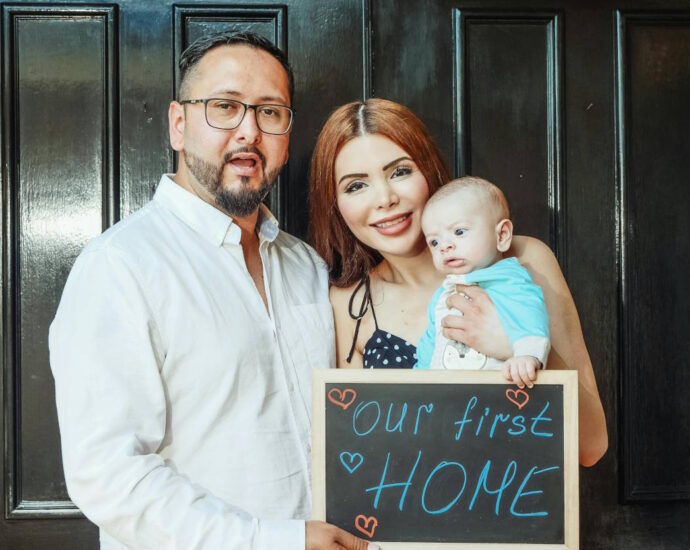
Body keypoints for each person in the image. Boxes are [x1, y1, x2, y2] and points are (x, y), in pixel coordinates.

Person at [49, 31, 375, 550]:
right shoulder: (118, 269)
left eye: (270, 112)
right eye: (224, 106)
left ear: (287, 136)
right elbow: (107, 474)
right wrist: (278, 541)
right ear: (179, 125)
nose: (249, 131)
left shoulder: (307, 266)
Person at [309, 98, 608, 467]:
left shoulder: (520, 261)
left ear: (429, 172)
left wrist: (516, 344)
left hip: (517, 508)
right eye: (356, 186)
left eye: (400, 172)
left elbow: (591, 445)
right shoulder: (350, 305)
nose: (385, 198)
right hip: (413, 513)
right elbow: (357, 459)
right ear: (335, 204)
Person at [415, 176, 550, 390]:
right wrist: (415, 380)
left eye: (459, 232)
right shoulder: (443, 293)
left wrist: (527, 355)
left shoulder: (509, 280)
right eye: (434, 241)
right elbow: (430, 341)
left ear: (502, 235)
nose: (445, 246)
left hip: (494, 403)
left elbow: (530, 316)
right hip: (444, 401)